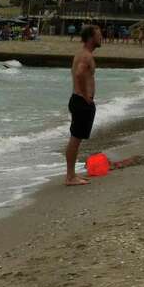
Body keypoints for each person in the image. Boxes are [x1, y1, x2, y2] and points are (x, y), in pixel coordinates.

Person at [65, 24, 101, 186]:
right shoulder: (86, 56)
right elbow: (79, 74)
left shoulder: (83, 54)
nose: (101, 37)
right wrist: (86, 96)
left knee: (76, 138)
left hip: (78, 100)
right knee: (75, 139)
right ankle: (70, 177)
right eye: (99, 35)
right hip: (81, 102)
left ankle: (71, 174)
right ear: (91, 37)